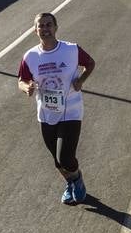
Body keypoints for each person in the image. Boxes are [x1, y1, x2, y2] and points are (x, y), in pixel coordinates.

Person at [17, 12, 96, 206]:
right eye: (40, 26)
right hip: (46, 113)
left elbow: (90, 63)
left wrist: (81, 80)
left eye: (48, 25)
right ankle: (71, 183)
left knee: (65, 157)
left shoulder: (71, 50)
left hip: (71, 110)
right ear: (35, 30)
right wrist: (27, 87)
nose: (45, 29)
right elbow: (21, 80)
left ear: (56, 27)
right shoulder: (30, 56)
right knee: (57, 161)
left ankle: (76, 178)